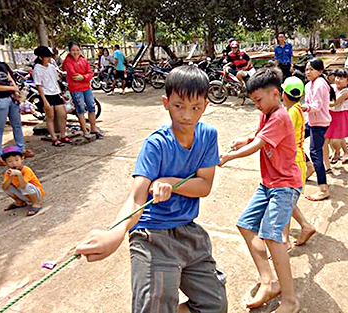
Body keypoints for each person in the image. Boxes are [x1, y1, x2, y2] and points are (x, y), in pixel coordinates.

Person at [75, 66, 228, 313]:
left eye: (195, 108)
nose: (187, 116)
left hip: (188, 230)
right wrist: (116, 231)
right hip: (151, 234)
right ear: (165, 103)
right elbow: (136, 197)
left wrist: (169, 181)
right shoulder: (155, 145)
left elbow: (204, 186)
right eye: (179, 106)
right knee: (154, 306)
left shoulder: (208, 135)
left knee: (215, 305)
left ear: (206, 105)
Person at [219, 67, 302, 312]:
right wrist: (244, 140)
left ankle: (290, 301)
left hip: (284, 186)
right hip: (269, 184)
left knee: (272, 235)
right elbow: (258, 137)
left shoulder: (280, 116)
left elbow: (259, 145)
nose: (256, 105)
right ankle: (269, 282)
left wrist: (229, 156)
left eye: (258, 100)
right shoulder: (267, 113)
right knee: (245, 224)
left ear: (275, 94)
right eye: (253, 101)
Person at [0, 42, 34, 166]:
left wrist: (15, 90)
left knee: (17, 125)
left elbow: (10, 77)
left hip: (11, 98)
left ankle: (21, 150)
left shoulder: (0, 64)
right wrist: (12, 89)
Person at [281, 77, 316, 250]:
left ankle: (284, 240)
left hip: (292, 162)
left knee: (285, 202)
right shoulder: (296, 109)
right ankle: (305, 226)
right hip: (296, 159)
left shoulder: (291, 112)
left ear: (283, 94)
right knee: (288, 201)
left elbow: (279, 134)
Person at [302, 58, 332, 201]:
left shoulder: (320, 84)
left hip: (319, 124)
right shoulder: (308, 85)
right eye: (306, 69)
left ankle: (323, 188)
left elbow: (316, 106)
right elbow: (309, 103)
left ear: (320, 71)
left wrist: (304, 108)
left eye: (311, 69)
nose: (308, 72)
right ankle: (309, 167)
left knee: (315, 153)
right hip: (311, 121)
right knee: (294, 140)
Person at [63, 41, 103, 139]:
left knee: (91, 107)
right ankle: (84, 130)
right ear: (69, 51)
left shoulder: (83, 60)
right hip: (75, 89)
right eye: (73, 50)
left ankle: (93, 127)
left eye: (77, 50)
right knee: (80, 109)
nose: (75, 52)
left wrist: (83, 77)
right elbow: (73, 75)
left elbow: (90, 73)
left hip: (86, 87)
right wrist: (84, 76)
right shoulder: (68, 61)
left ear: (80, 50)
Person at [33, 46, 72, 147]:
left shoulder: (51, 67)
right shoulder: (37, 68)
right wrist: (44, 100)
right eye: (47, 57)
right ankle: (54, 138)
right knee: (50, 117)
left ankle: (63, 135)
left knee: (63, 115)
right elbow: (39, 85)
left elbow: (56, 81)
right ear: (41, 57)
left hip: (56, 93)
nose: (49, 58)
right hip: (46, 94)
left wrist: (61, 94)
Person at [324, 69, 348, 165]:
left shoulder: (345, 92)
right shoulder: (332, 87)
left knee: (336, 139)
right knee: (332, 136)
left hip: (341, 115)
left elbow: (334, 103)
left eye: (342, 78)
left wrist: (321, 102)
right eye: (338, 77)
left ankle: (337, 152)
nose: (338, 80)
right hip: (331, 114)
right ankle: (341, 152)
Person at [1, 146, 44, 216]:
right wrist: (10, 176)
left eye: (17, 160)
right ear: (5, 163)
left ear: (22, 159)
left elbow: (23, 185)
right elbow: (4, 187)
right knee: (7, 186)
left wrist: (19, 174)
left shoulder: (26, 170)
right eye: (10, 161)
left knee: (25, 186)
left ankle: (36, 203)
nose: (14, 163)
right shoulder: (8, 172)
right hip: (24, 194)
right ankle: (20, 202)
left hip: (36, 194)